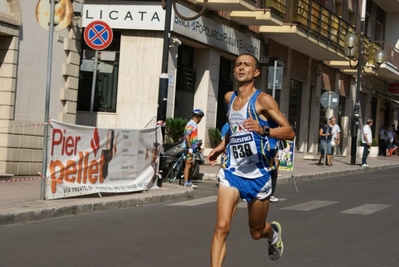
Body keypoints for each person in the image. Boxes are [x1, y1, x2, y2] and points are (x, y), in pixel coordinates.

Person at [207, 53, 295, 266]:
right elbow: (234, 131)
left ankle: (272, 232)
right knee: (221, 226)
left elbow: (289, 132)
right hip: (232, 172)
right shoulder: (229, 98)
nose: (241, 68)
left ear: (256, 72)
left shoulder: (263, 100)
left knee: (256, 232)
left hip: (259, 174)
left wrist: (263, 129)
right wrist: (220, 147)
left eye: (246, 65)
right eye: (238, 64)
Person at [181, 108, 204, 188]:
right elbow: (187, 136)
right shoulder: (191, 124)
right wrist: (189, 147)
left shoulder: (194, 124)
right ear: (198, 117)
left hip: (193, 148)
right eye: (201, 117)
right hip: (189, 149)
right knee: (188, 165)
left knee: (191, 165)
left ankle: (189, 181)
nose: (201, 119)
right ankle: (186, 182)